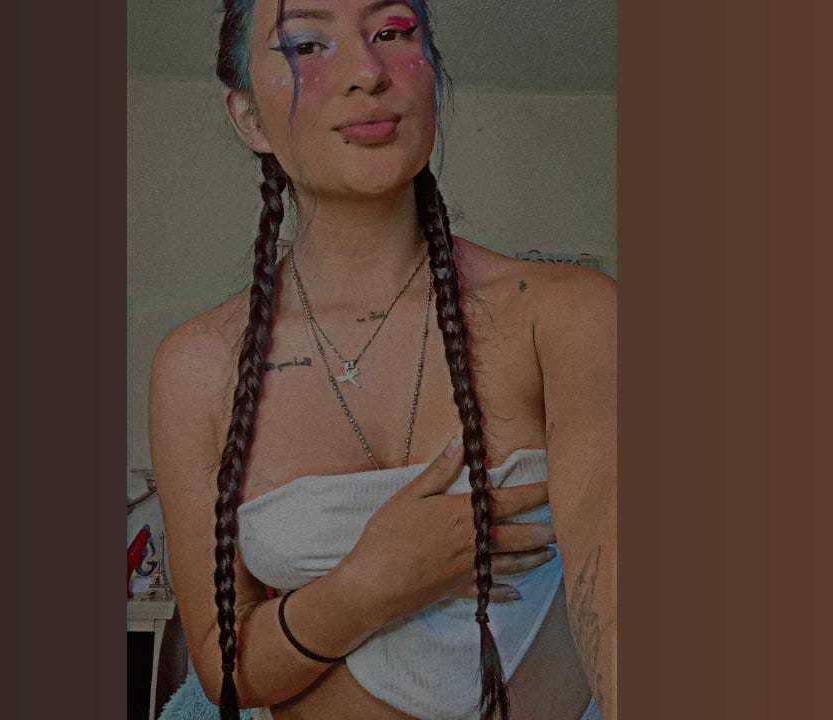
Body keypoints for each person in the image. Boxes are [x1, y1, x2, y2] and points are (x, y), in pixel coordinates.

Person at [148, 1, 617, 718]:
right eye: (307, 45)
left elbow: (614, 604)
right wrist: (371, 585)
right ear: (248, 117)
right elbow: (223, 672)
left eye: (392, 33)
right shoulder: (198, 367)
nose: (367, 72)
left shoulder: (568, 315)